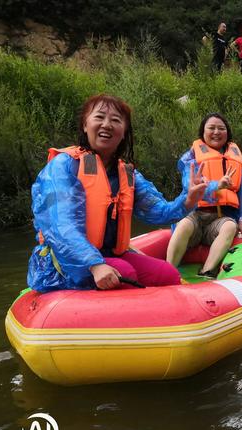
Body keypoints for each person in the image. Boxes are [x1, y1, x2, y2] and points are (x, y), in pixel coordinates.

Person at [28, 94, 207, 292]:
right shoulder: (64, 166)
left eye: (115, 120)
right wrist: (95, 264)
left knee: (168, 274)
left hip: (110, 255)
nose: (107, 124)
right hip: (67, 260)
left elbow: (158, 212)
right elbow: (61, 226)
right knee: (125, 273)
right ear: (85, 125)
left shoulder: (128, 174)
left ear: (124, 132)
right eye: (99, 117)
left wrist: (188, 201)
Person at [166, 112, 242, 278]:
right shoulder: (191, 157)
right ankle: (168, 272)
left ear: (227, 133)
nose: (216, 132)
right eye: (211, 128)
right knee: (183, 224)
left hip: (220, 219)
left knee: (230, 226)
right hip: (195, 216)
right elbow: (188, 186)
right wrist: (216, 185)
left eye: (221, 128)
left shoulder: (236, 158)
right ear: (203, 132)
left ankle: (207, 271)